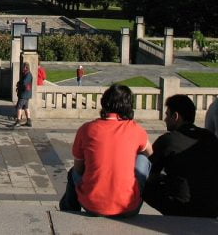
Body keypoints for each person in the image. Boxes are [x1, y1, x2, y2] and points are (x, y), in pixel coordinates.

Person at [59, 84, 152, 217]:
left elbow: (78, 169)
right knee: (143, 159)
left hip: (91, 205)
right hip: (129, 208)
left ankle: (68, 210)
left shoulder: (87, 129)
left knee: (73, 172)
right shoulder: (136, 129)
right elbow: (150, 153)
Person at [144, 94, 218, 217]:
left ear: (176, 116)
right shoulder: (210, 137)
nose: (165, 119)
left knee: (143, 183)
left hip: (182, 208)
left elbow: (150, 174)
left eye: (167, 115)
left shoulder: (168, 140)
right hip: (211, 207)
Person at [14, 62, 33, 127]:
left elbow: (24, 83)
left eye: (23, 67)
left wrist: (19, 85)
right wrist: (19, 83)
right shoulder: (25, 74)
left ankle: (18, 121)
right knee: (26, 107)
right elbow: (22, 81)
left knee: (19, 107)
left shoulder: (28, 75)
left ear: (26, 67)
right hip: (26, 95)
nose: (22, 68)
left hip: (24, 95)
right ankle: (29, 121)